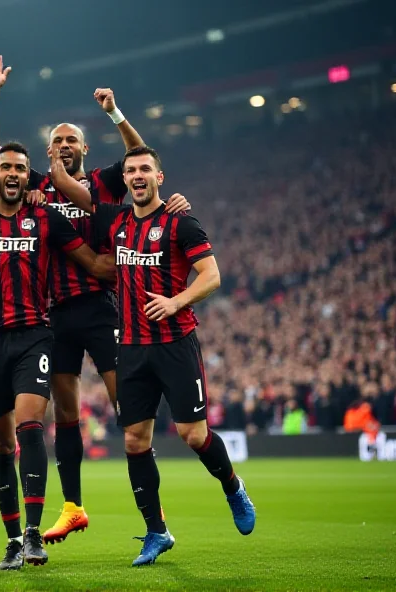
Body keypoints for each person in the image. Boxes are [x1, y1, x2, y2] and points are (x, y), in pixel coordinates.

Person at [0, 55, 190, 543]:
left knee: (128, 412)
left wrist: (116, 114)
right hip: (54, 315)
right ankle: (73, 506)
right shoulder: (31, 186)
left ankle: (155, 520)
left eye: (71, 140)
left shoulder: (103, 182)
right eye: (57, 141)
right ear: (47, 150)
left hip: (101, 307)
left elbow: (143, 156)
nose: (64, 146)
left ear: (85, 148)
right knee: (65, 415)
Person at [0, 142, 114, 570]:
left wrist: (143, 258)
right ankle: (13, 539)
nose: (13, 173)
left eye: (21, 168)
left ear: (28, 176)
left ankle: (33, 535)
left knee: (30, 426)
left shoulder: (46, 217)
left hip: (35, 336)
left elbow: (92, 262)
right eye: (6, 167)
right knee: (0, 445)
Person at [90, 145, 256, 566]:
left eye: (146, 168)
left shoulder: (181, 223)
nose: (138, 175)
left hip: (176, 345)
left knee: (193, 435)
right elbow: (66, 190)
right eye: (131, 170)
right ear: (124, 180)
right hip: (130, 348)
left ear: (160, 177)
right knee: (133, 440)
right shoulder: (116, 220)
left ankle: (233, 486)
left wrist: (176, 301)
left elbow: (212, 276)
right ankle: (156, 531)